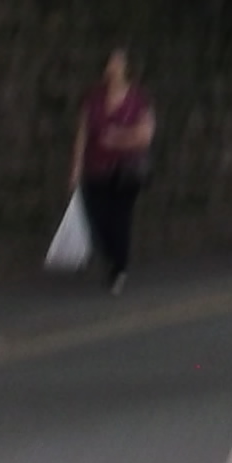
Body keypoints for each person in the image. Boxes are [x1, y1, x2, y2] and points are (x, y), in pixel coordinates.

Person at [73, 48, 156, 293]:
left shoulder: (138, 99)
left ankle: (119, 268)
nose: (113, 68)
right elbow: (83, 133)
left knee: (119, 218)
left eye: (117, 63)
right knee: (97, 218)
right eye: (110, 63)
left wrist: (119, 139)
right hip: (96, 167)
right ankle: (111, 258)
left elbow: (146, 135)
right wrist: (76, 166)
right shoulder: (94, 99)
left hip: (125, 170)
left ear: (126, 68)